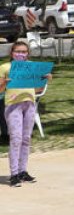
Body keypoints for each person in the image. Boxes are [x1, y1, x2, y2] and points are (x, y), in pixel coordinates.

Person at [1, 40, 52, 186]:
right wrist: (5, 82)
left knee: (26, 138)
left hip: (29, 104)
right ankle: (14, 173)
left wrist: (45, 80)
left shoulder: (32, 67)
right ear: (12, 53)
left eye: (24, 52)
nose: (21, 54)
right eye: (18, 51)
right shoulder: (5, 67)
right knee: (16, 138)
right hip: (13, 105)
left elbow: (36, 90)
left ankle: (23, 170)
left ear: (27, 53)